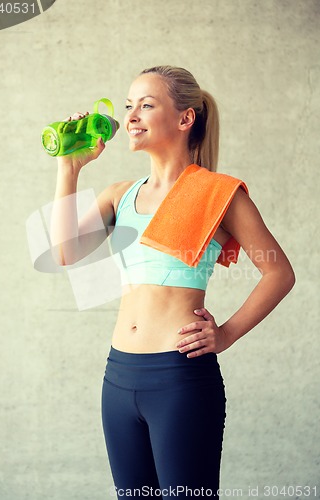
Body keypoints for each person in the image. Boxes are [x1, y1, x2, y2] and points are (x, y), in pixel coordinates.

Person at [50, 66, 295, 499]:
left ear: (185, 119)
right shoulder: (119, 194)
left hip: (179, 380)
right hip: (118, 379)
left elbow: (279, 272)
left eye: (146, 105)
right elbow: (63, 253)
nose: (131, 116)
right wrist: (69, 169)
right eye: (129, 106)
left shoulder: (219, 193)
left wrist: (226, 334)